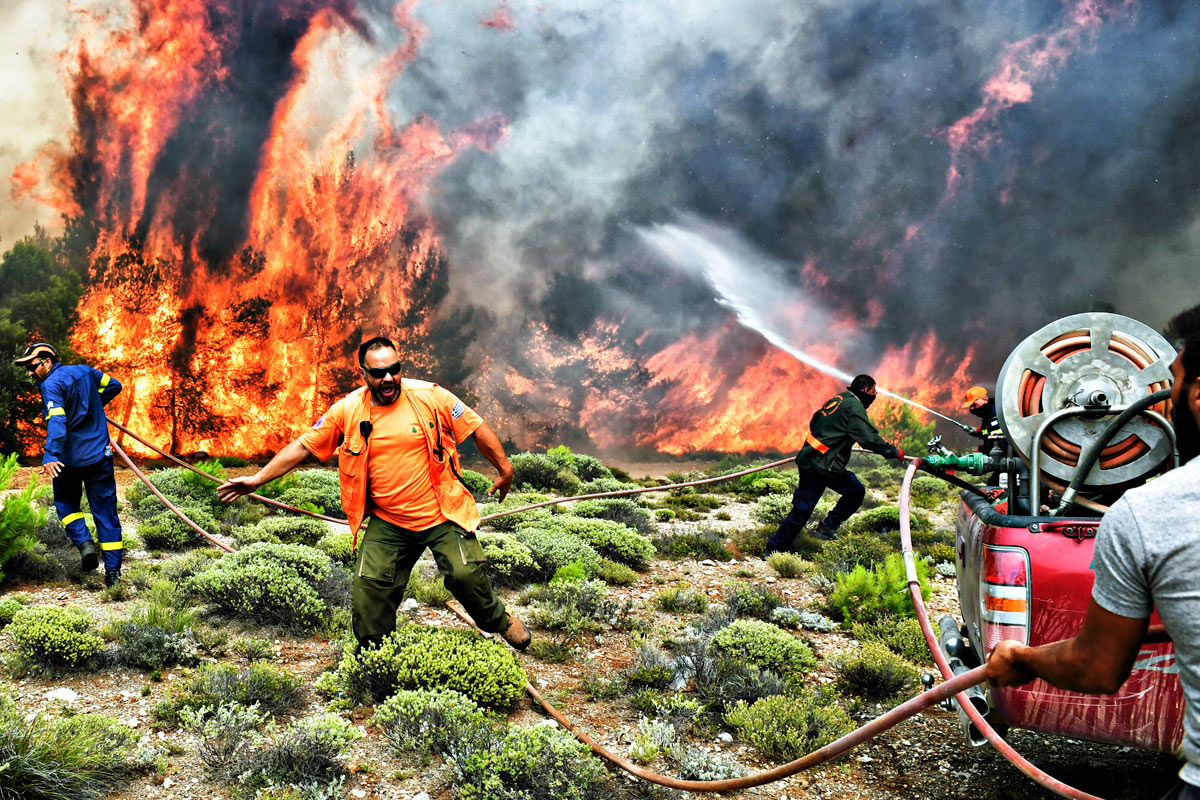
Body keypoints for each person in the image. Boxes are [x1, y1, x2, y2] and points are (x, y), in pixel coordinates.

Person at [986, 303, 1200, 800]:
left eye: (1176, 383)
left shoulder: (1150, 515)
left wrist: (1024, 657)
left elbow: (1097, 667)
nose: (1163, 400)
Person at [217, 336, 530, 651]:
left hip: (442, 512)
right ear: (364, 374)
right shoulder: (348, 409)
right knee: (369, 592)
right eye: (379, 373)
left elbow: (475, 427)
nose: (389, 378)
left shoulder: (431, 397)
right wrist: (257, 479)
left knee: (465, 576)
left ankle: (500, 622)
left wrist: (505, 469)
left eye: (395, 370)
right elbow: (303, 446)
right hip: (389, 521)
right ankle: (376, 657)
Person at [14, 342, 124, 586]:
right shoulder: (85, 371)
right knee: (106, 512)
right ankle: (113, 574)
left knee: (65, 503)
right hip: (99, 456)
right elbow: (114, 385)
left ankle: (85, 544)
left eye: (32, 367)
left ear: (48, 362)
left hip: (69, 460)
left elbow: (57, 421)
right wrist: (93, 406)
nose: (30, 373)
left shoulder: (50, 384)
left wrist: (51, 454)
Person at [764, 374, 904, 556]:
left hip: (817, 461)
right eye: (873, 392)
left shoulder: (839, 399)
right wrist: (894, 452)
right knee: (806, 508)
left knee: (852, 491)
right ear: (865, 390)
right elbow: (869, 438)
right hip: (820, 465)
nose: (874, 396)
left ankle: (821, 531)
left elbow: (815, 420)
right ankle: (776, 548)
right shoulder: (854, 406)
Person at [962, 385, 1005, 486]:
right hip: (1002, 461)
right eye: (970, 406)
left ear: (985, 399)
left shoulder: (997, 412)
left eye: (974, 404)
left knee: (993, 486)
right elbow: (988, 431)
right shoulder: (988, 413)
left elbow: (999, 440)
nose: (972, 409)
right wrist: (978, 432)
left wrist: (981, 451)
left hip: (1008, 460)